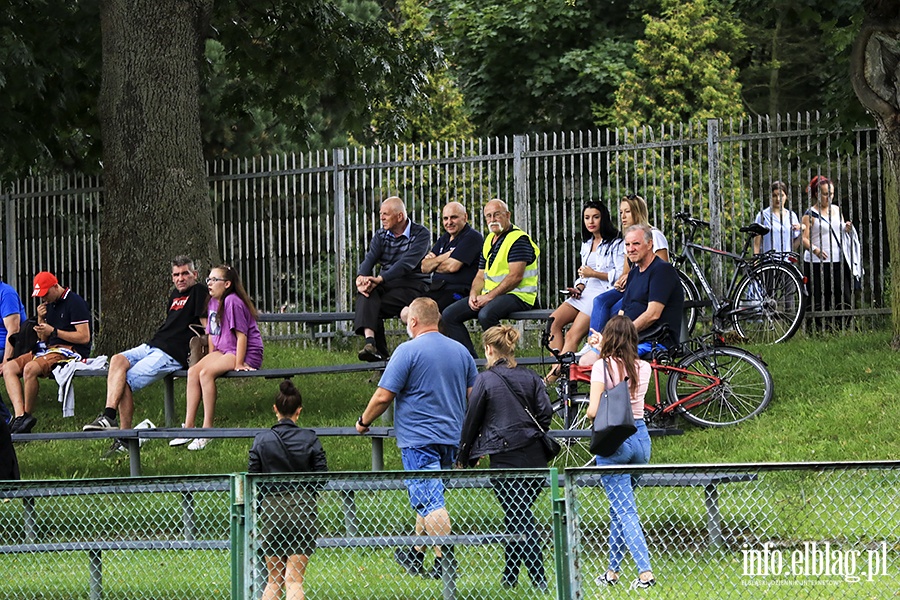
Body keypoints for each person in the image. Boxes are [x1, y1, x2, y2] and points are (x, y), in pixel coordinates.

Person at [354, 297, 477, 579]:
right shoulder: (461, 352)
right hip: (451, 439)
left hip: (419, 440)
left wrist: (363, 422)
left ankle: (446, 563)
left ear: (413, 321)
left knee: (432, 502)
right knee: (429, 496)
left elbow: (384, 395)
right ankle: (416, 553)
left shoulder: (407, 351)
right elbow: (474, 398)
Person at [457, 325, 552, 591]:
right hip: (534, 456)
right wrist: (532, 432)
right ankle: (510, 576)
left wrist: (465, 454)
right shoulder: (531, 377)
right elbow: (545, 413)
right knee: (516, 513)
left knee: (518, 515)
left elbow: (472, 419)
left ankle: (539, 578)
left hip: (504, 455)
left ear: (488, 349)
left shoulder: (485, 380)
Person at [83, 257, 207, 440]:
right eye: (176, 274)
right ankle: (109, 416)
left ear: (194, 274)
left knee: (124, 382)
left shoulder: (200, 292)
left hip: (170, 354)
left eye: (185, 273)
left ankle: (124, 437)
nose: (180, 278)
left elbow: (207, 328)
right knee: (117, 359)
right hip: (152, 345)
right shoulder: (174, 295)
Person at [584, 316, 655, 590]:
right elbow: (622, 368)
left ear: (609, 339)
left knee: (625, 510)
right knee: (619, 508)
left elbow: (592, 411)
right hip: (640, 440)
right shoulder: (645, 367)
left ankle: (645, 573)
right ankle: (612, 571)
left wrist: (601, 352)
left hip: (614, 440)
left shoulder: (602, 366)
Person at [249, 379, 328, 600]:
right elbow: (322, 476)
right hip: (302, 509)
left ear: (275, 409)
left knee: (273, 580)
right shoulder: (310, 438)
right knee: (294, 579)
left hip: (272, 511)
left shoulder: (261, 440)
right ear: (299, 411)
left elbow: (252, 477)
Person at [171, 265, 263, 450]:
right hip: (223, 350)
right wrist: (212, 356)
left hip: (242, 352)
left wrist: (239, 363)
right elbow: (212, 334)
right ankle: (189, 428)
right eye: (209, 279)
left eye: (214, 280)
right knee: (193, 371)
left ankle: (208, 430)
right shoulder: (212, 302)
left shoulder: (233, 302)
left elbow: (242, 336)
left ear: (227, 284)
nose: (209, 283)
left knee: (205, 374)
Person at [442, 199, 540, 358]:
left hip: (519, 295)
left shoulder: (518, 239)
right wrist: (474, 294)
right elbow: (480, 274)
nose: (492, 219)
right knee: (449, 315)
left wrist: (488, 297)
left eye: (497, 215)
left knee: (486, 315)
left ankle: (503, 361)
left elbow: (515, 277)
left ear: (507, 215)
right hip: (492, 295)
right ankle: (472, 363)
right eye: (488, 216)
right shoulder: (489, 239)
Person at [581, 225, 683, 366]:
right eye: (627, 245)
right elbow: (622, 314)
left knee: (600, 363)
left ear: (650, 244)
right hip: (630, 338)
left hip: (654, 339)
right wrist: (605, 336)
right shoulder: (633, 274)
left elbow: (653, 314)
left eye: (636, 244)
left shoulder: (662, 270)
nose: (630, 249)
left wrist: (623, 335)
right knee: (585, 361)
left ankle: (618, 387)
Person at [3, 271, 91, 434]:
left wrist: (55, 332)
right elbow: (43, 339)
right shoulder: (49, 305)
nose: (43, 299)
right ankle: (19, 415)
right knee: (8, 368)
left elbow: (84, 337)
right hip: (48, 348)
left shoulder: (75, 302)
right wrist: (41, 320)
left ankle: (27, 415)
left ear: (55, 286)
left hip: (69, 350)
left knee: (30, 369)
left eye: (45, 294)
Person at [547, 201, 623, 372]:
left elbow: (619, 275)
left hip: (601, 294)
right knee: (553, 322)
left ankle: (553, 377)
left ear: (603, 218)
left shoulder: (616, 243)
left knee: (572, 335)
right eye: (587, 218)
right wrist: (578, 287)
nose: (591, 222)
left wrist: (593, 274)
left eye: (595, 217)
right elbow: (584, 275)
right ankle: (558, 369)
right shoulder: (587, 243)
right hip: (585, 293)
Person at [354, 196, 431, 362]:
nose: (381, 218)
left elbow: (406, 264)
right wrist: (361, 278)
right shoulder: (381, 235)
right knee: (367, 293)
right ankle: (370, 343)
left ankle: (380, 357)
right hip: (387, 283)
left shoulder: (421, 234)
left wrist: (380, 279)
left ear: (400, 217)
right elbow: (370, 258)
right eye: (381, 214)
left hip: (413, 285)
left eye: (385, 214)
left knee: (373, 304)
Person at [587, 194, 669, 341]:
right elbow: (626, 271)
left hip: (646, 289)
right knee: (599, 301)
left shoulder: (655, 236)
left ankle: (604, 344)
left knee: (613, 312)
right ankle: (593, 342)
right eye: (621, 212)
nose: (623, 217)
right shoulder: (629, 238)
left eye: (627, 212)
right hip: (631, 286)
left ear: (637, 212)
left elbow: (663, 269)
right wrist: (622, 279)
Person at [801, 175, 854, 329]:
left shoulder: (837, 210)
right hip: (816, 262)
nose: (829, 197)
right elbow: (804, 239)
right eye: (825, 194)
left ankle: (841, 327)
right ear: (817, 194)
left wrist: (847, 228)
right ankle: (815, 329)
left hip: (838, 259)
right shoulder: (809, 214)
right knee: (817, 296)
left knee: (842, 294)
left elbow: (841, 229)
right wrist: (816, 250)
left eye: (831, 194)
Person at [420, 202, 484, 311]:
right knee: (409, 311)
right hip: (437, 289)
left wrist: (434, 263)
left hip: (457, 292)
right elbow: (424, 267)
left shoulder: (472, 237)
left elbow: (452, 267)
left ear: (465, 217)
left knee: (429, 312)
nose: (449, 222)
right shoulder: (445, 238)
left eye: (453, 217)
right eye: (445, 218)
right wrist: (446, 256)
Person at [0, 277, 27, 424]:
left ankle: (5, 419)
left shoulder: (6, 294)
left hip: (7, 347)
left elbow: (13, 330)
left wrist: (6, 361)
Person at [752, 181, 804, 254]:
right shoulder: (762, 216)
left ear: (786, 196)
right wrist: (756, 260)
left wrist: (802, 231)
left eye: (781, 195)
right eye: (774, 195)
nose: (778, 199)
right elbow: (756, 243)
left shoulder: (792, 216)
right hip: (768, 262)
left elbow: (793, 247)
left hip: (786, 262)